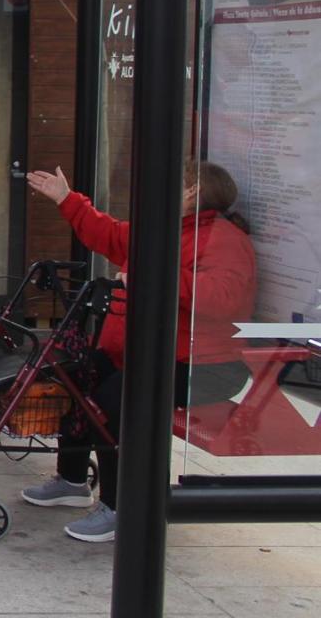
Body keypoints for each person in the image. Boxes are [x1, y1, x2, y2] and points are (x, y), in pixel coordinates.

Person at [20, 161, 256, 543]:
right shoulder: (166, 229)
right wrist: (67, 199)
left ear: (193, 191)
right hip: (146, 355)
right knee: (73, 375)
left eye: (172, 181)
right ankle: (73, 480)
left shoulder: (224, 239)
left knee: (116, 403)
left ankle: (121, 507)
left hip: (203, 366)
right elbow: (111, 237)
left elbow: (222, 299)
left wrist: (152, 277)